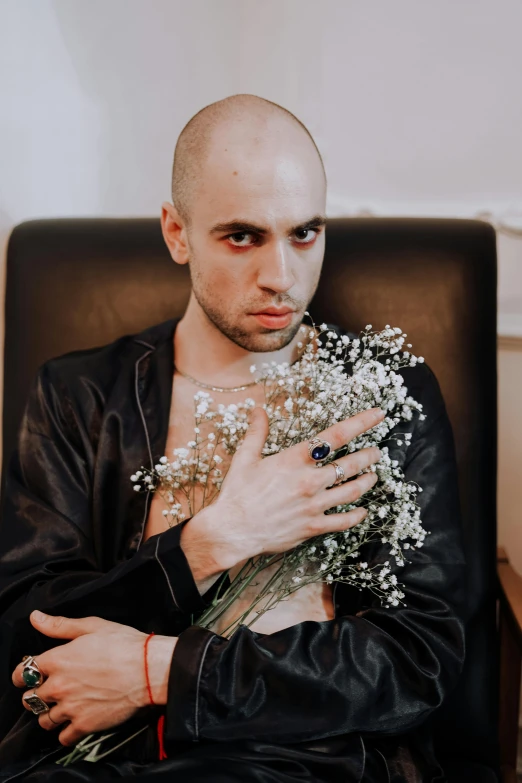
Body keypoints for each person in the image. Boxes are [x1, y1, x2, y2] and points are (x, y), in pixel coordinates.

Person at [0, 94, 466, 782]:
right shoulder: (82, 397)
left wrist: (162, 670)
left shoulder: (385, 400)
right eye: (243, 236)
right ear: (177, 232)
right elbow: (26, 634)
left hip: (307, 759)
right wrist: (215, 540)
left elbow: (415, 659)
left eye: (305, 233)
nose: (281, 277)